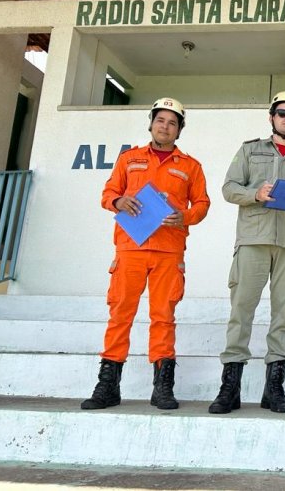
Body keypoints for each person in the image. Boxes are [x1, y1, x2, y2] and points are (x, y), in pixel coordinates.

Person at [81, 97, 210, 411]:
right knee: (120, 315)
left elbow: (203, 204)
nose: (165, 127)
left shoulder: (190, 166)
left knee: (163, 317)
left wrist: (186, 217)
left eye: (172, 122)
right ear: (151, 123)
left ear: (179, 130)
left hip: (169, 250)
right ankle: (107, 387)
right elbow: (108, 193)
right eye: (160, 120)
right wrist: (119, 202)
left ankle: (162, 388)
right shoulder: (129, 159)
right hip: (130, 248)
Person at [209, 91, 285, 415]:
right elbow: (228, 188)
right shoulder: (250, 150)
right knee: (241, 312)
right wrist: (255, 193)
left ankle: (273, 388)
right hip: (253, 241)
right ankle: (229, 388)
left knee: (283, 317)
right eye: (282, 113)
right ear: (272, 116)